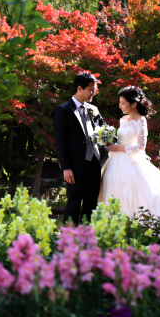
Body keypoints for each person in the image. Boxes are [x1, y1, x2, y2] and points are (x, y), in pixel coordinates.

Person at [99, 86, 160, 222]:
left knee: (137, 192)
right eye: (120, 102)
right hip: (114, 160)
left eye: (123, 103)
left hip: (130, 161)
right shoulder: (123, 119)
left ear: (133, 104)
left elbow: (140, 147)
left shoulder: (141, 121)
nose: (120, 106)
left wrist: (119, 148)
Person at [53, 72, 108, 222]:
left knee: (91, 206)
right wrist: (66, 167)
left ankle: (86, 241)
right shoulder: (63, 110)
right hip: (76, 167)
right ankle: (68, 241)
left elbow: (105, 132)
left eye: (95, 89)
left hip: (95, 165)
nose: (94, 93)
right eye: (91, 89)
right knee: (74, 204)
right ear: (79, 88)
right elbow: (60, 141)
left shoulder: (93, 110)